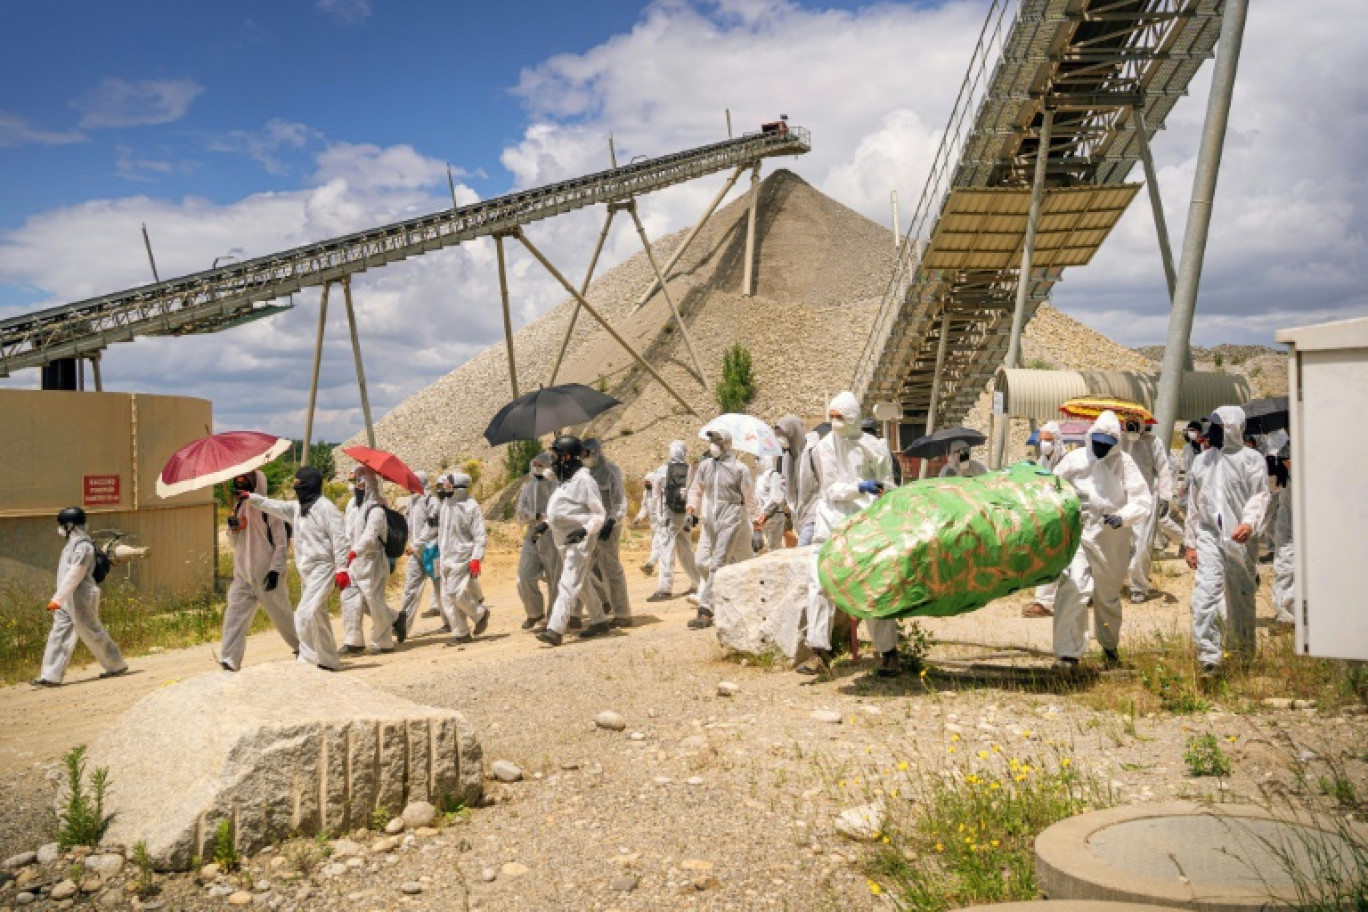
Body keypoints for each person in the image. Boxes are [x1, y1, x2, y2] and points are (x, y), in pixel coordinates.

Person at [797, 392, 900, 676]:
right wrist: (859, 487)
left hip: (864, 523)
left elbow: (888, 486)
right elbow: (830, 488)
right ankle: (819, 652)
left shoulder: (875, 448)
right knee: (819, 584)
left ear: (853, 417)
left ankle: (888, 652)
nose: (835, 423)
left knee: (873, 585)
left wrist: (879, 498)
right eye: (831, 417)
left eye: (840, 417)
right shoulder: (825, 447)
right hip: (830, 520)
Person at [1050, 410, 1152, 671]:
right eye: (1097, 442)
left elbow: (1142, 499)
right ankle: (1067, 653)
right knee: (1073, 587)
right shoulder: (1073, 460)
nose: (1100, 449)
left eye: (1106, 446)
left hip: (1111, 537)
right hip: (1079, 533)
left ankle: (1109, 647)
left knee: (1107, 595)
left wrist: (1124, 516)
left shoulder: (1124, 463)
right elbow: (1053, 490)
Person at [1184, 406, 1270, 674]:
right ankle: (1209, 656)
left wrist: (1248, 523)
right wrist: (1190, 542)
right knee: (1205, 595)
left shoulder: (1251, 459)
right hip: (1209, 536)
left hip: (1241, 539)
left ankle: (1244, 654)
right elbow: (1194, 505)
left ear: (1232, 429)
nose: (1211, 433)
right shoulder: (1202, 461)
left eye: (1218, 427)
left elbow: (1260, 496)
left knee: (1241, 596)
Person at [246, 467, 349, 671]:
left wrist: (342, 569)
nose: (296, 487)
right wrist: (249, 497)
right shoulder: (296, 509)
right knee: (318, 615)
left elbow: (340, 539)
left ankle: (307, 661)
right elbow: (272, 505)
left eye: (299, 483)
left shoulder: (326, 508)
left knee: (303, 613)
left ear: (309, 484)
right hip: (306, 570)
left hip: (323, 567)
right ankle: (329, 661)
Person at [32, 507, 128, 687]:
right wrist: (61, 599)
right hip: (67, 597)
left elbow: (76, 573)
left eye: (62, 525)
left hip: (81, 596)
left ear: (70, 526)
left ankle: (116, 664)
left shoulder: (83, 546)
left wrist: (57, 598)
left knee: (91, 630)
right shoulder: (72, 545)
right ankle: (50, 675)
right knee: (58, 633)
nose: (59, 529)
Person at [219, 470, 298, 671]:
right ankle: (230, 658)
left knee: (282, 616)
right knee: (234, 616)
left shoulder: (269, 510)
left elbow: (281, 544)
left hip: (267, 574)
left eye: (245, 483)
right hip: (243, 575)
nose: (241, 487)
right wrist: (233, 530)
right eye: (238, 483)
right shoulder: (237, 508)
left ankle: (303, 648)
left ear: (255, 485)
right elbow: (235, 542)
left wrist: (275, 571)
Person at [536, 436, 610, 646]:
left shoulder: (585, 481)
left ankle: (555, 629)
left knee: (567, 581)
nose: (553, 460)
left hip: (580, 538)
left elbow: (599, 515)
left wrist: (584, 531)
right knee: (581, 580)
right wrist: (546, 524)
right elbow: (563, 510)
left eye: (556, 455)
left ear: (567, 456)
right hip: (562, 537)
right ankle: (599, 620)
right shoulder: (565, 479)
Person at [685, 428, 755, 629]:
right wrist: (691, 511)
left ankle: (706, 609)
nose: (713, 444)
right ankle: (723, 593)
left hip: (731, 517)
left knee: (718, 562)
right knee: (701, 561)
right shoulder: (706, 466)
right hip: (710, 519)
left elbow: (749, 497)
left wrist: (757, 524)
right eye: (712, 440)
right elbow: (696, 490)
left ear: (726, 444)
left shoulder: (739, 469)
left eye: (717, 440)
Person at [344, 466, 402, 654]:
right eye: (356, 483)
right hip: (354, 564)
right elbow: (347, 532)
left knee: (374, 602)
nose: (357, 488)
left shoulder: (377, 510)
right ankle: (354, 641)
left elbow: (370, 537)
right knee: (351, 601)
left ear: (369, 486)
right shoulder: (353, 507)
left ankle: (384, 641)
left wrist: (355, 551)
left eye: (361, 484)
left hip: (372, 563)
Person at [1122, 419, 1175, 604]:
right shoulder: (1120, 441)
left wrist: (1165, 497)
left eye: (1134, 423)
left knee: (1142, 545)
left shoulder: (1154, 443)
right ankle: (1116, 583)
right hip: (1122, 501)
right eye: (1128, 423)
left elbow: (1163, 470)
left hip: (1145, 501)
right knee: (1119, 545)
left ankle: (1139, 586)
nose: (1131, 427)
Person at [434, 472, 490, 645]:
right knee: (446, 598)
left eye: (449, 483)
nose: (445, 486)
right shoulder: (446, 504)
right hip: (445, 556)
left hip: (462, 556)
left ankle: (480, 613)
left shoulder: (470, 506)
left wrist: (476, 558)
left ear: (458, 487)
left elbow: (480, 536)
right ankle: (461, 632)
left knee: (455, 592)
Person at [583, 438, 631, 627]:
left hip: (608, 527)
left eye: (586, 453)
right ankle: (604, 601)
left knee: (611, 568)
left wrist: (612, 521)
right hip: (589, 526)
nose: (583, 457)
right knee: (586, 568)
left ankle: (623, 613)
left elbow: (619, 500)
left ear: (595, 452)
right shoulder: (582, 473)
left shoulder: (611, 471)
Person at [646, 440, 700, 602]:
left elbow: (655, 497)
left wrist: (655, 517)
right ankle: (697, 582)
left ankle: (665, 588)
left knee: (666, 549)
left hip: (668, 515)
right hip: (685, 514)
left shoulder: (662, 471)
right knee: (685, 549)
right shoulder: (690, 470)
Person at [516, 452, 560, 631]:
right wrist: (534, 516)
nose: (537, 467)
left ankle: (555, 618)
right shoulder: (527, 487)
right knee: (524, 576)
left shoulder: (557, 486)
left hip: (552, 535)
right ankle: (535, 612)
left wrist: (546, 518)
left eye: (541, 464)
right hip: (532, 534)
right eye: (535, 464)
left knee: (554, 578)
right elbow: (520, 512)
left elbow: (561, 508)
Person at [1023, 421, 1064, 618]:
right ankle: (1045, 601)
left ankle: (1046, 602)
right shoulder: (1042, 463)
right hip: (1048, 516)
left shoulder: (1066, 462)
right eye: (1042, 440)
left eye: (1048, 440)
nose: (1044, 444)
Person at [400, 470, 440, 633]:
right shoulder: (412, 502)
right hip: (416, 555)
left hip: (432, 552)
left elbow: (431, 527)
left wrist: (416, 545)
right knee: (410, 589)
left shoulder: (432, 502)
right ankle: (402, 626)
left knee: (441, 588)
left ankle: (453, 621)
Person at [1269, 442, 1294, 629]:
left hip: (1308, 521)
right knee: (1285, 565)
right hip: (1287, 523)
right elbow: (1272, 491)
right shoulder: (1285, 449)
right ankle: (1285, 613)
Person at [774, 415, 808, 543]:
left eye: (782, 434)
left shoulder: (810, 454)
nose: (780, 439)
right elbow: (783, 485)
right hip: (797, 515)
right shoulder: (786, 458)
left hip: (813, 515)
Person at [753, 453, 787, 553]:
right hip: (761, 517)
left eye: (758, 458)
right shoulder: (759, 476)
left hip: (774, 516)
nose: (756, 461)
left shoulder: (773, 474)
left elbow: (776, 497)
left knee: (774, 548)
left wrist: (765, 512)